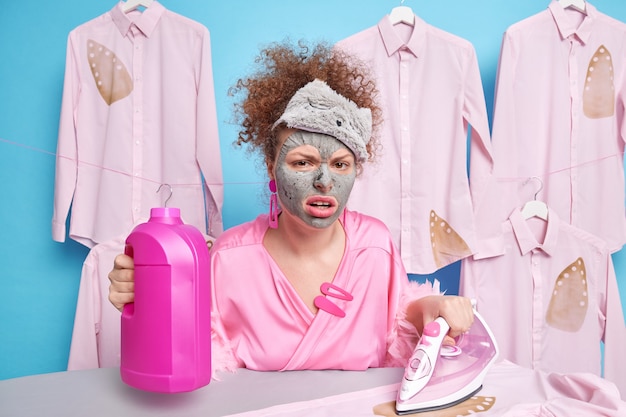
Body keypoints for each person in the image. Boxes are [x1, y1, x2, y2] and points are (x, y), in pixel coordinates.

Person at [108, 40, 474, 374]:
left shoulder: (374, 245)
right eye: (302, 162)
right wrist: (149, 299)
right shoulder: (228, 257)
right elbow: (187, 345)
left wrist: (432, 310)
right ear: (271, 166)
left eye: (341, 165)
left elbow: (397, 321)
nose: (324, 182)